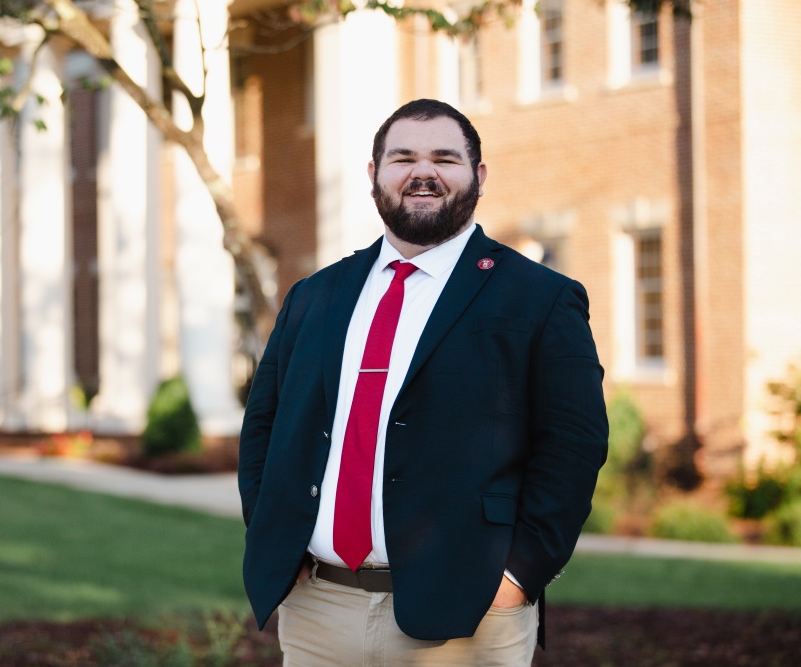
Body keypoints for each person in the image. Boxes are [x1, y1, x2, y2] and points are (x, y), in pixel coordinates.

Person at [238, 98, 608, 665]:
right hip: (317, 610)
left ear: (478, 176)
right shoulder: (315, 296)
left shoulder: (540, 298)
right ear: (374, 176)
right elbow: (264, 426)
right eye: (403, 157)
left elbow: (574, 448)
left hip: (469, 614)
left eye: (445, 158)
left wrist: (517, 577)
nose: (423, 172)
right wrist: (273, 536)